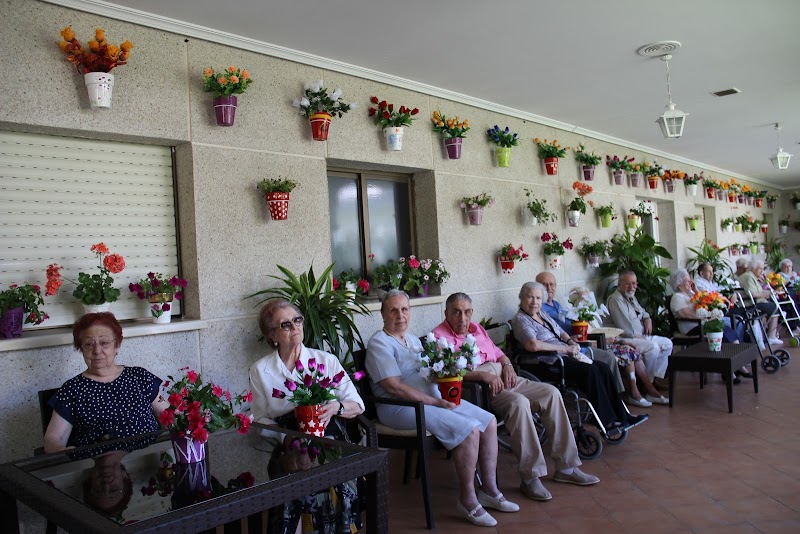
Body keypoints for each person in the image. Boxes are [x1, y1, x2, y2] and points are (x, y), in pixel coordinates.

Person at [366, 290, 518, 527]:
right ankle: (468, 500)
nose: (400, 315)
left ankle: (489, 490)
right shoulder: (379, 343)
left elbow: (432, 374)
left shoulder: (414, 340)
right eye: (393, 310)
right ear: (383, 314)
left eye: (404, 309)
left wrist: (452, 372)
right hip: (400, 408)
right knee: (469, 430)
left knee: (488, 421)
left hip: (432, 398)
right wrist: (436, 402)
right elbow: (393, 387)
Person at [432, 292, 599, 502]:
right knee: (519, 403)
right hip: (481, 388)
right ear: (446, 313)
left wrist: (508, 365)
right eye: (456, 312)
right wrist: (482, 376)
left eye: (466, 312)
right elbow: (444, 372)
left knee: (551, 394)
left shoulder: (477, 329)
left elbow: (499, 354)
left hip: (505, 376)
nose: (462, 318)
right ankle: (531, 477)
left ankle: (566, 467)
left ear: (472, 312)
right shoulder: (439, 336)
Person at [249, 299, 365, 534]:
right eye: (286, 324)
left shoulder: (325, 361)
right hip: (289, 439)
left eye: (297, 320)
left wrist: (336, 408)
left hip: (328, 434)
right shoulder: (260, 370)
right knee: (291, 474)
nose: (295, 327)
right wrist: (286, 438)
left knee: (332, 473)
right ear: (272, 336)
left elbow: (358, 405)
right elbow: (260, 419)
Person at [511, 282, 648, 436]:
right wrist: (564, 348)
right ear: (521, 298)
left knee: (603, 368)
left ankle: (623, 416)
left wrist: (570, 342)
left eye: (538, 298)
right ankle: (607, 422)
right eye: (530, 297)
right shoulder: (521, 319)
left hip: (563, 357)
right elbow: (532, 345)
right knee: (591, 372)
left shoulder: (541, 314)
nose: (534, 302)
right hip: (547, 363)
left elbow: (560, 332)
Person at [44, 312, 169, 453]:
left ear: (117, 345)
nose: (97, 351)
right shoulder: (72, 389)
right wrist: (68, 454)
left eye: (104, 343)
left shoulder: (139, 377)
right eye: (89, 344)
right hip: (99, 464)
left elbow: (168, 415)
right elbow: (53, 440)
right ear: (81, 349)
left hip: (148, 459)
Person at [567, 287, 668, 407]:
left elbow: (604, 333)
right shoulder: (576, 319)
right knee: (628, 354)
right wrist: (609, 341)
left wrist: (621, 342)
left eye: (588, 297)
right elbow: (585, 341)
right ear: (576, 300)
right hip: (597, 348)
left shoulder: (591, 317)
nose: (587, 301)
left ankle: (649, 390)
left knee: (632, 352)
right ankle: (635, 393)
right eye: (583, 298)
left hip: (608, 343)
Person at [535, 272, 625, 395]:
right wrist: (569, 340)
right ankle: (613, 396)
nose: (549, 288)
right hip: (565, 349)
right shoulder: (539, 309)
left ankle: (614, 397)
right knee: (606, 359)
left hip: (578, 344)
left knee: (608, 358)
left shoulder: (557, 304)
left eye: (552, 284)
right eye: (544, 284)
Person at [669, 269, 750, 383]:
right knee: (719, 332)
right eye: (687, 281)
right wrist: (707, 317)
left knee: (726, 330)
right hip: (691, 327)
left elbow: (706, 301)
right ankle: (728, 371)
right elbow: (687, 315)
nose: (691, 282)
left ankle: (738, 365)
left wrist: (696, 290)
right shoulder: (678, 297)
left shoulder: (691, 293)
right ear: (679, 284)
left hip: (703, 323)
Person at [606, 271, 672, 390]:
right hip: (626, 338)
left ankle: (654, 378)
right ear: (619, 283)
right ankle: (647, 384)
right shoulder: (616, 299)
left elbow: (643, 312)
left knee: (667, 343)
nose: (631, 287)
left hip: (640, 334)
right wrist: (640, 337)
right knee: (652, 347)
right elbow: (624, 329)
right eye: (627, 283)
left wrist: (647, 319)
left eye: (634, 283)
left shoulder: (630, 296)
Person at [738, 260, 782, 344]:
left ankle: (769, 335)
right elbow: (753, 294)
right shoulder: (748, 277)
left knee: (773, 305)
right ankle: (771, 336)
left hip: (756, 302)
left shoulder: (752, 276)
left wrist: (772, 291)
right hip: (750, 303)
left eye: (763, 269)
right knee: (774, 307)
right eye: (760, 269)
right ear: (753, 268)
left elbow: (760, 291)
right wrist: (769, 293)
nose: (762, 271)